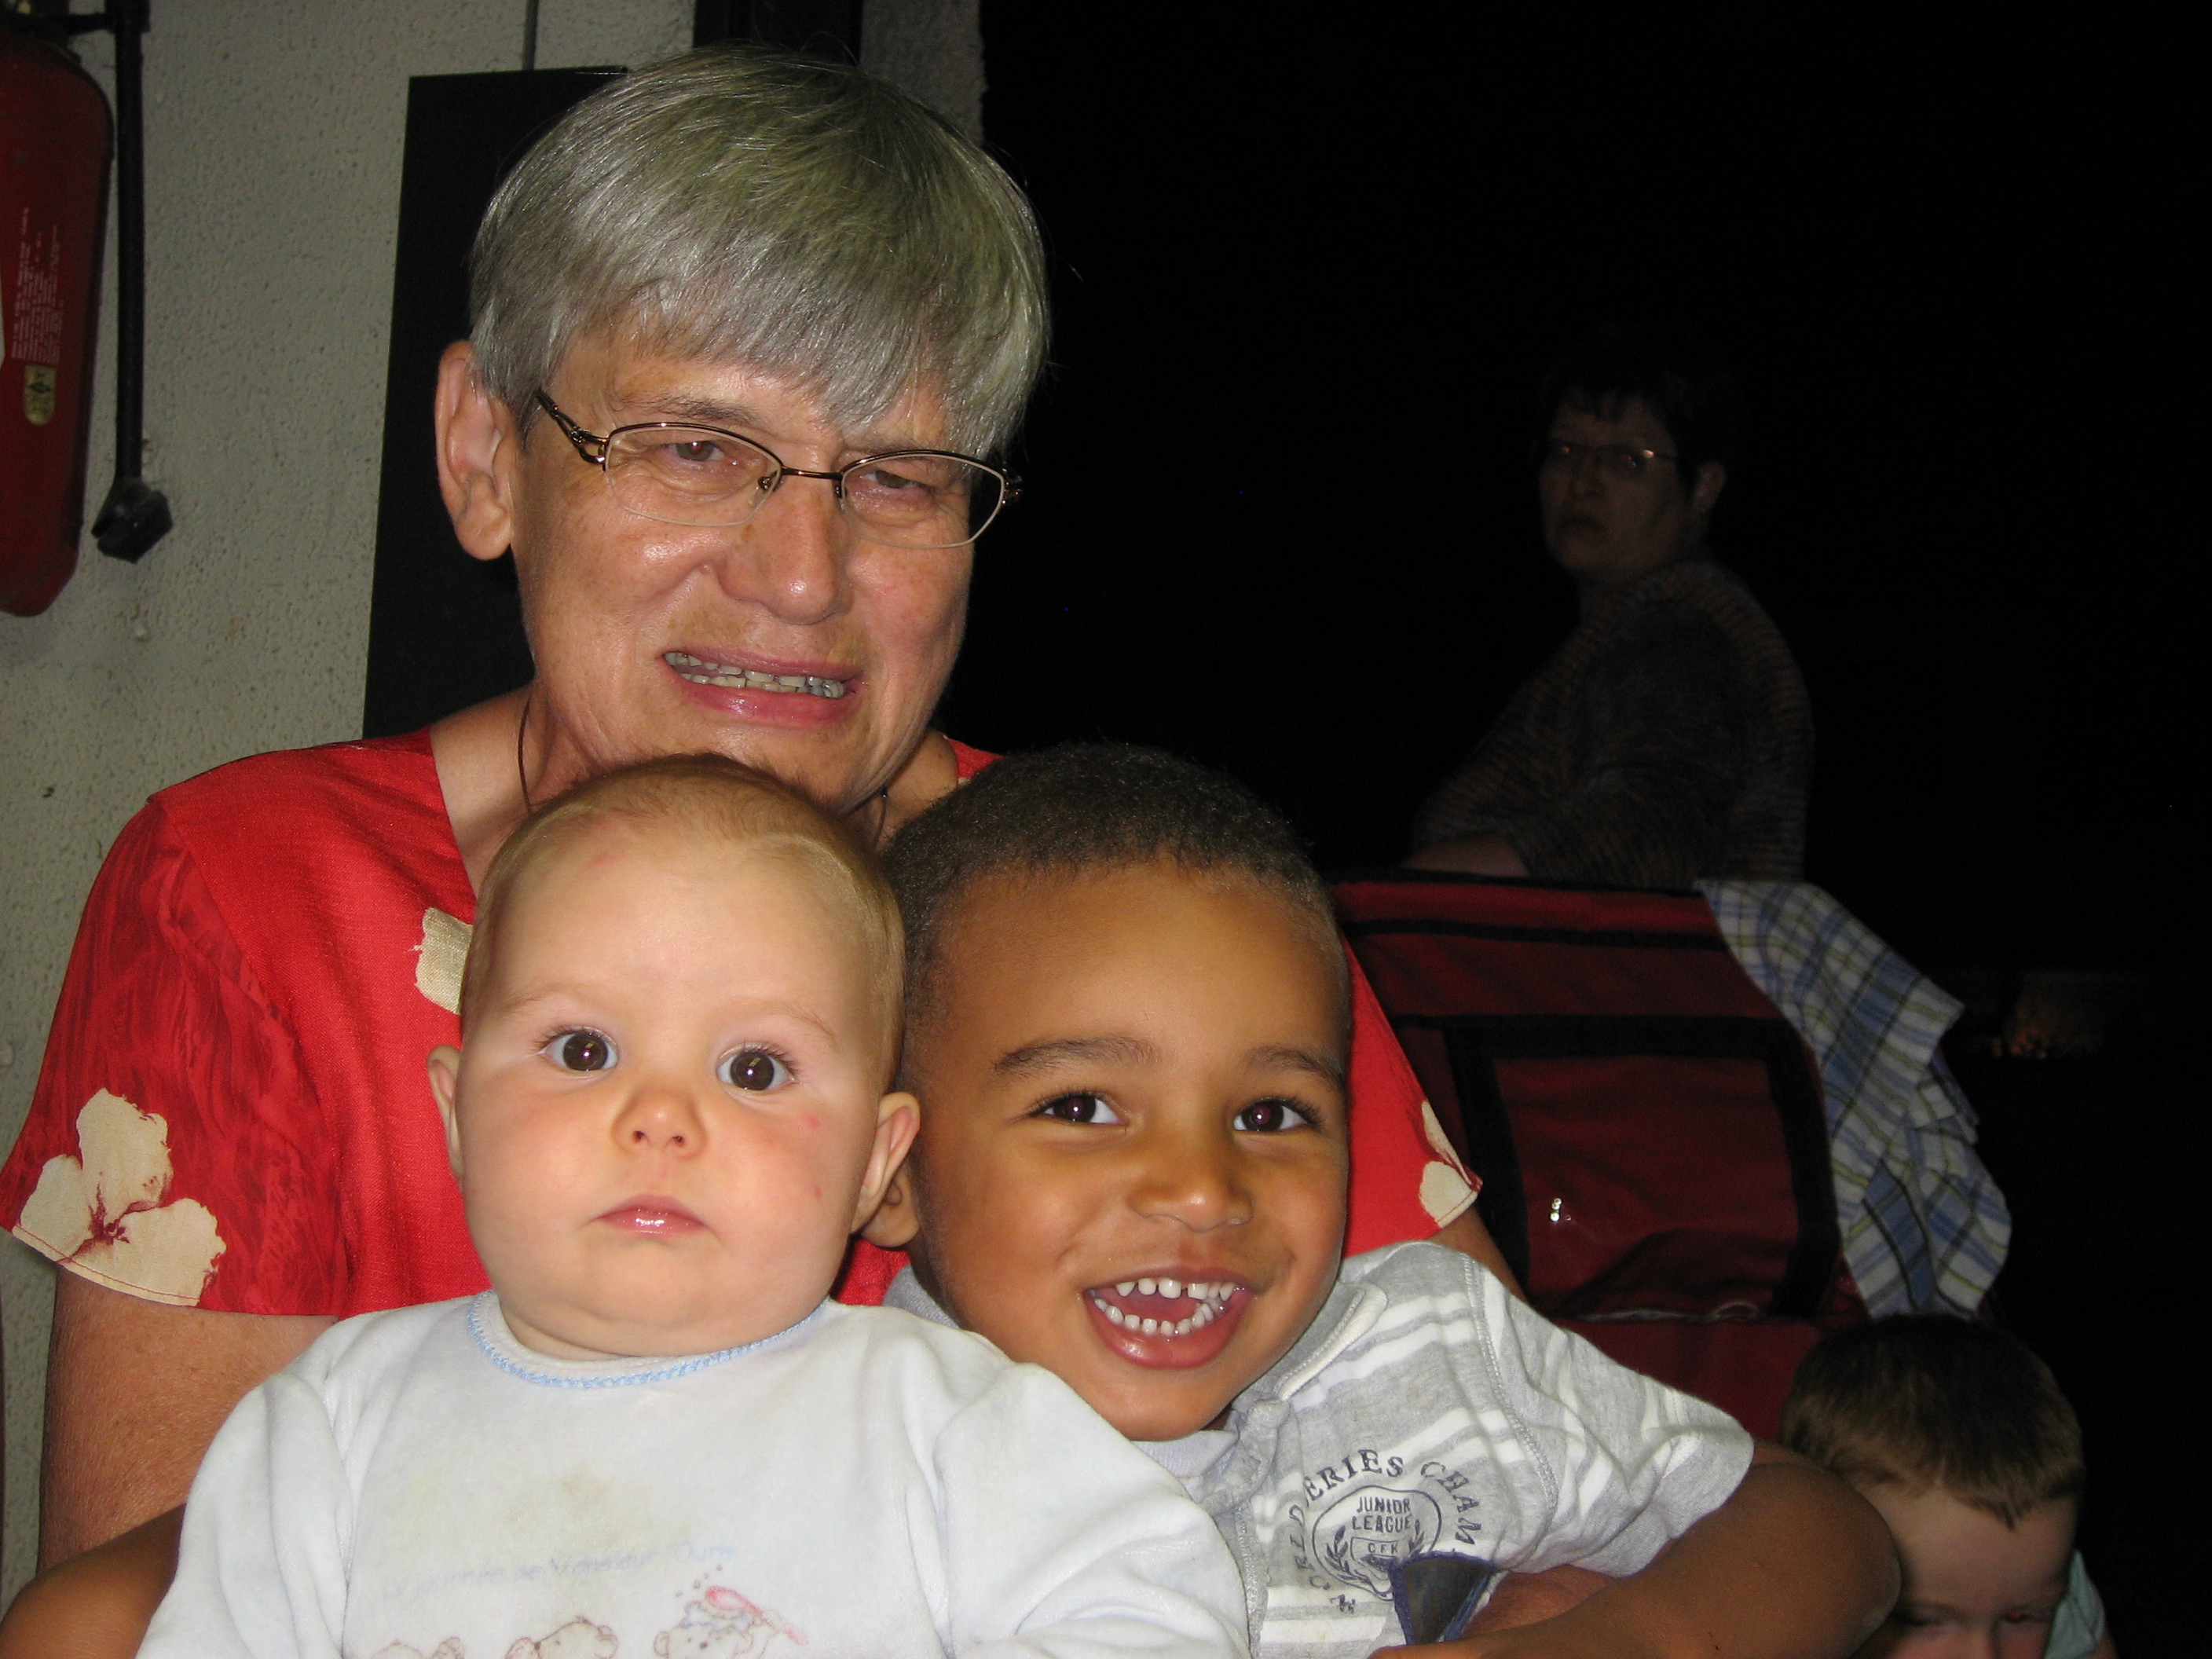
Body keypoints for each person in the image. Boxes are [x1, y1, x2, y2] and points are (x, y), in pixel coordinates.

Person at [0, 46, 1504, 1652]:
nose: (800, 574)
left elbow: (1526, 1513)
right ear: (485, 455)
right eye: (695, 448)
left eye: (897, 475)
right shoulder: (252, 906)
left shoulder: (1156, 923)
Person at [137, 754, 1247, 1659]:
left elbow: (1162, 1618)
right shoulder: (329, 1428)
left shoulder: (944, 1419)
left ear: (874, 1164)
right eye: (583, 1050)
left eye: (754, 1070)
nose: (660, 1118)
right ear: (458, 1117)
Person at [862, 743, 1899, 1657]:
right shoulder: (844, 1455)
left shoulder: (1424, 1352)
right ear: (892, 1168)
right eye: (1081, 1107)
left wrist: (1624, 1640)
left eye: (1270, 1114)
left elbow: (1823, 1528)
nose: (1203, 1189)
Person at [1408, 328, 1812, 889]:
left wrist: (1417, 890)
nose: (1582, 482)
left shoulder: (1682, 624)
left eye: (1625, 460)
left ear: (1702, 488)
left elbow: (1653, 821)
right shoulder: (1624, 626)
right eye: (1564, 451)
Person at [1782, 1317, 2117, 1659]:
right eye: (1920, 1620)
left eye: (2020, 1618)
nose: (1983, 1655)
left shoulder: (2040, 1583)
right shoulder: (1768, 1620)